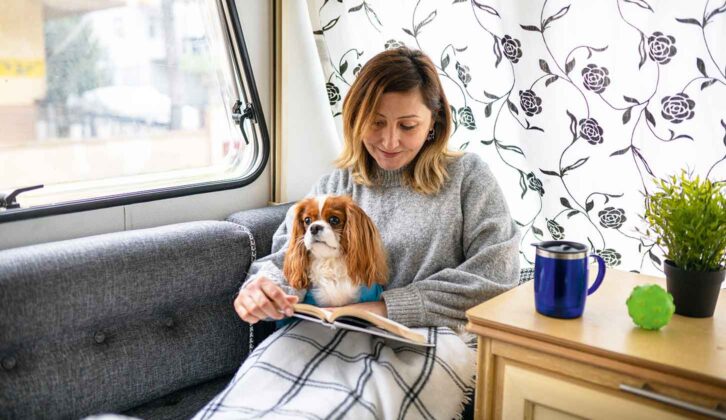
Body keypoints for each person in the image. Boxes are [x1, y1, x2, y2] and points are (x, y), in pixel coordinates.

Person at [215, 47, 519, 419]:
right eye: (375, 123)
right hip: (326, 330)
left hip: (427, 338)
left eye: (407, 126)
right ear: (355, 119)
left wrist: (384, 307)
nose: (389, 141)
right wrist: (263, 289)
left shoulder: (468, 177)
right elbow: (283, 258)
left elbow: (497, 277)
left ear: (433, 123)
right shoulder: (336, 183)